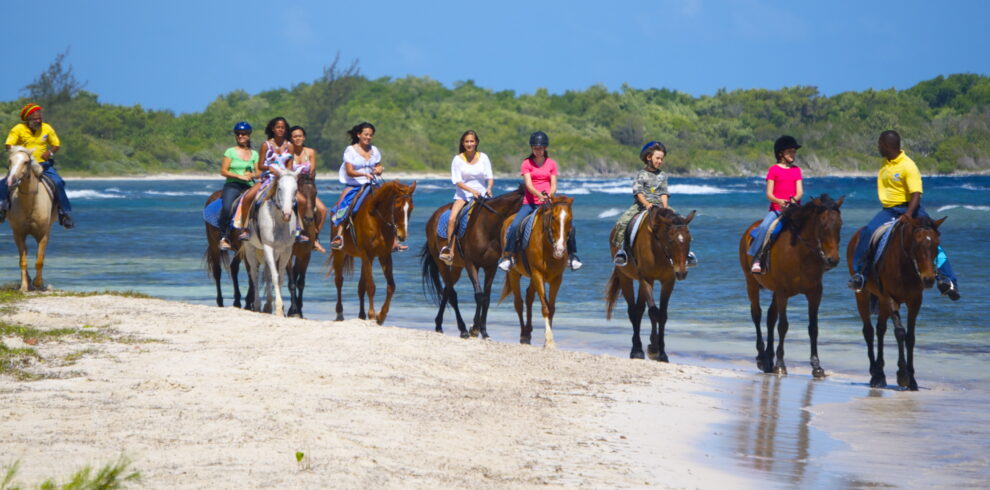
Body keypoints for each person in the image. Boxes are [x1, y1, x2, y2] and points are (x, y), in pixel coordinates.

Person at [848, 130, 960, 300]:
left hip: (911, 209)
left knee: (931, 241)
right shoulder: (885, 163)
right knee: (868, 233)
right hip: (889, 210)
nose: (878, 147)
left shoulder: (908, 165)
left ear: (887, 145)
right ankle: (860, 275)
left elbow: (916, 193)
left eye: (880, 144)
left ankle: (948, 281)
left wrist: (908, 214)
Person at [498, 131, 581, 271]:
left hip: (548, 202)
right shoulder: (526, 163)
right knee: (514, 225)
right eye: (535, 148)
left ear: (545, 148)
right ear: (532, 148)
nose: (538, 150)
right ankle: (509, 256)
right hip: (530, 203)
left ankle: (572, 256)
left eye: (541, 148)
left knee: (570, 225)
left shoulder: (551, 164)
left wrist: (549, 194)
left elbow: (553, 184)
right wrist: (538, 195)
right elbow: (529, 185)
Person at [2, 103, 74, 228]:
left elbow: (56, 144)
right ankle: (2, 208)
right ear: (28, 119)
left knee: (58, 182)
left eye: (39, 118)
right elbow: (8, 145)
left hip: (43, 165)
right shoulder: (18, 129)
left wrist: (49, 152)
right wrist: (21, 152)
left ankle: (64, 213)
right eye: (35, 119)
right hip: (23, 165)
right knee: (4, 183)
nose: (38, 121)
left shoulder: (47, 128)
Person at [232, 117, 299, 241]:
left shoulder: (290, 146)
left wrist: (287, 174)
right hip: (268, 178)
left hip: (284, 179)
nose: (280, 130)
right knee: (247, 197)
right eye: (278, 127)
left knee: (299, 200)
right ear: (273, 129)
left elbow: (290, 165)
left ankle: (298, 228)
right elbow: (260, 165)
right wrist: (270, 168)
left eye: (283, 128)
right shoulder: (266, 145)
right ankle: (245, 227)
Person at [747, 136, 804, 274]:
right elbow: (769, 194)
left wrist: (792, 201)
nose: (793, 154)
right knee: (766, 227)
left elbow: (800, 192)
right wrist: (780, 202)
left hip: (794, 209)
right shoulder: (774, 170)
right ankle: (758, 258)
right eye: (790, 151)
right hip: (778, 209)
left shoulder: (796, 170)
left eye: (794, 152)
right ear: (781, 154)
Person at [610, 141, 671, 266]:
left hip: (659, 205)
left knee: (679, 221)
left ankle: (685, 252)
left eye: (662, 159)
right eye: (657, 158)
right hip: (641, 205)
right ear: (649, 157)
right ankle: (621, 251)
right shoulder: (641, 175)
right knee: (622, 222)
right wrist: (646, 204)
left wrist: (665, 207)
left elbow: (663, 193)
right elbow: (638, 192)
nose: (660, 161)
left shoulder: (663, 176)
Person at [438, 130, 493, 265]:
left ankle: (502, 250)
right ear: (463, 143)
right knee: (451, 218)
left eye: (472, 141)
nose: (469, 144)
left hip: (482, 196)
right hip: (463, 196)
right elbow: (457, 181)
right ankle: (450, 250)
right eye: (467, 141)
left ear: (476, 143)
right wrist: (471, 190)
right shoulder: (457, 159)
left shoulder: (483, 157)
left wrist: (489, 188)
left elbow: (490, 177)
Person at [329, 122, 386, 250]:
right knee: (345, 206)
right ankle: (339, 236)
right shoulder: (351, 150)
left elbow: (378, 165)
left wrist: (379, 169)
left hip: (372, 183)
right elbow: (349, 171)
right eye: (366, 134)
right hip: (355, 184)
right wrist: (364, 175)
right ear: (359, 134)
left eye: (370, 135)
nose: (368, 137)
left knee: (390, 204)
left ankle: (392, 239)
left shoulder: (374, 150)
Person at [217, 122, 258, 250]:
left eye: (244, 134)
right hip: (233, 185)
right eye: (238, 134)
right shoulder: (230, 152)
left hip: (249, 186)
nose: (241, 136)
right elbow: (223, 171)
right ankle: (224, 237)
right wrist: (239, 176)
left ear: (249, 135)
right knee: (228, 207)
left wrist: (252, 175)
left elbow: (259, 172)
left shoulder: (255, 154)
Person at [288, 125, 328, 253]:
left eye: (300, 136)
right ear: (291, 139)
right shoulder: (288, 153)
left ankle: (315, 237)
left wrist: (307, 178)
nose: (298, 138)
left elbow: (312, 170)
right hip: (292, 187)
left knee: (322, 209)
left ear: (304, 137)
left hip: (306, 187)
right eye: (295, 136)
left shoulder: (310, 152)